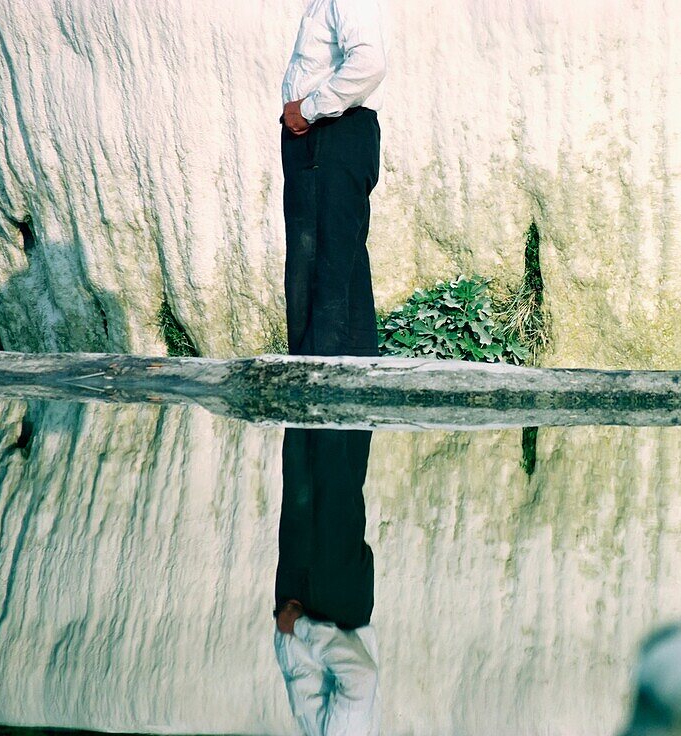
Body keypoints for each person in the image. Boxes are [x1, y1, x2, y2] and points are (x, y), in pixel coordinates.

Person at [280, 0, 387, 357]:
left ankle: (316, 382)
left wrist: (308, 110)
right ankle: (352, 382)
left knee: (319, 261)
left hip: (330, 132)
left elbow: (369, 63)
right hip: (330, 134)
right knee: (342, 261)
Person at [273, 429, 379, 735]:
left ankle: (347, 387)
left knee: (331, 458)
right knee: (324, 450)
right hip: (322, 601)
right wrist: (301, 626)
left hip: (325, 598)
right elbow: (360, 679)